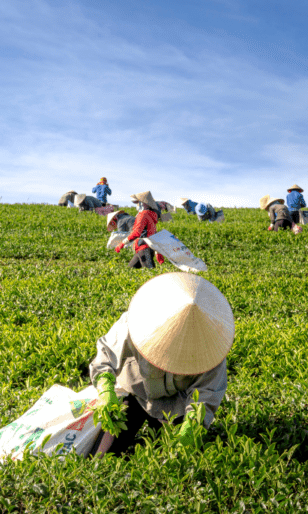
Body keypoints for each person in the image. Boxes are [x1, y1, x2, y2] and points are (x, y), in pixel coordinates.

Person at [89, 272, 234, 455]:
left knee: (171, 459)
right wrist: (105, 389)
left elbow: (206, 394)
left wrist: (192, 425)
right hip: (136, 394)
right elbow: (106, 354)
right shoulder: (135, 323)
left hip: (176, 405)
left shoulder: (212, 348)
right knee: (102, 455)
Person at [115, 191, 164, 269]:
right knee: (130, 269)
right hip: (144, 248)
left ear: (143, 203)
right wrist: (157, 251)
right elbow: (154, 233)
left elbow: (137, 233)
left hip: (144, 248)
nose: (138, 205)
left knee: (150, 272)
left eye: (139, 202)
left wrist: (122, 243)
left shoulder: (143, 214)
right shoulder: (151, 215)